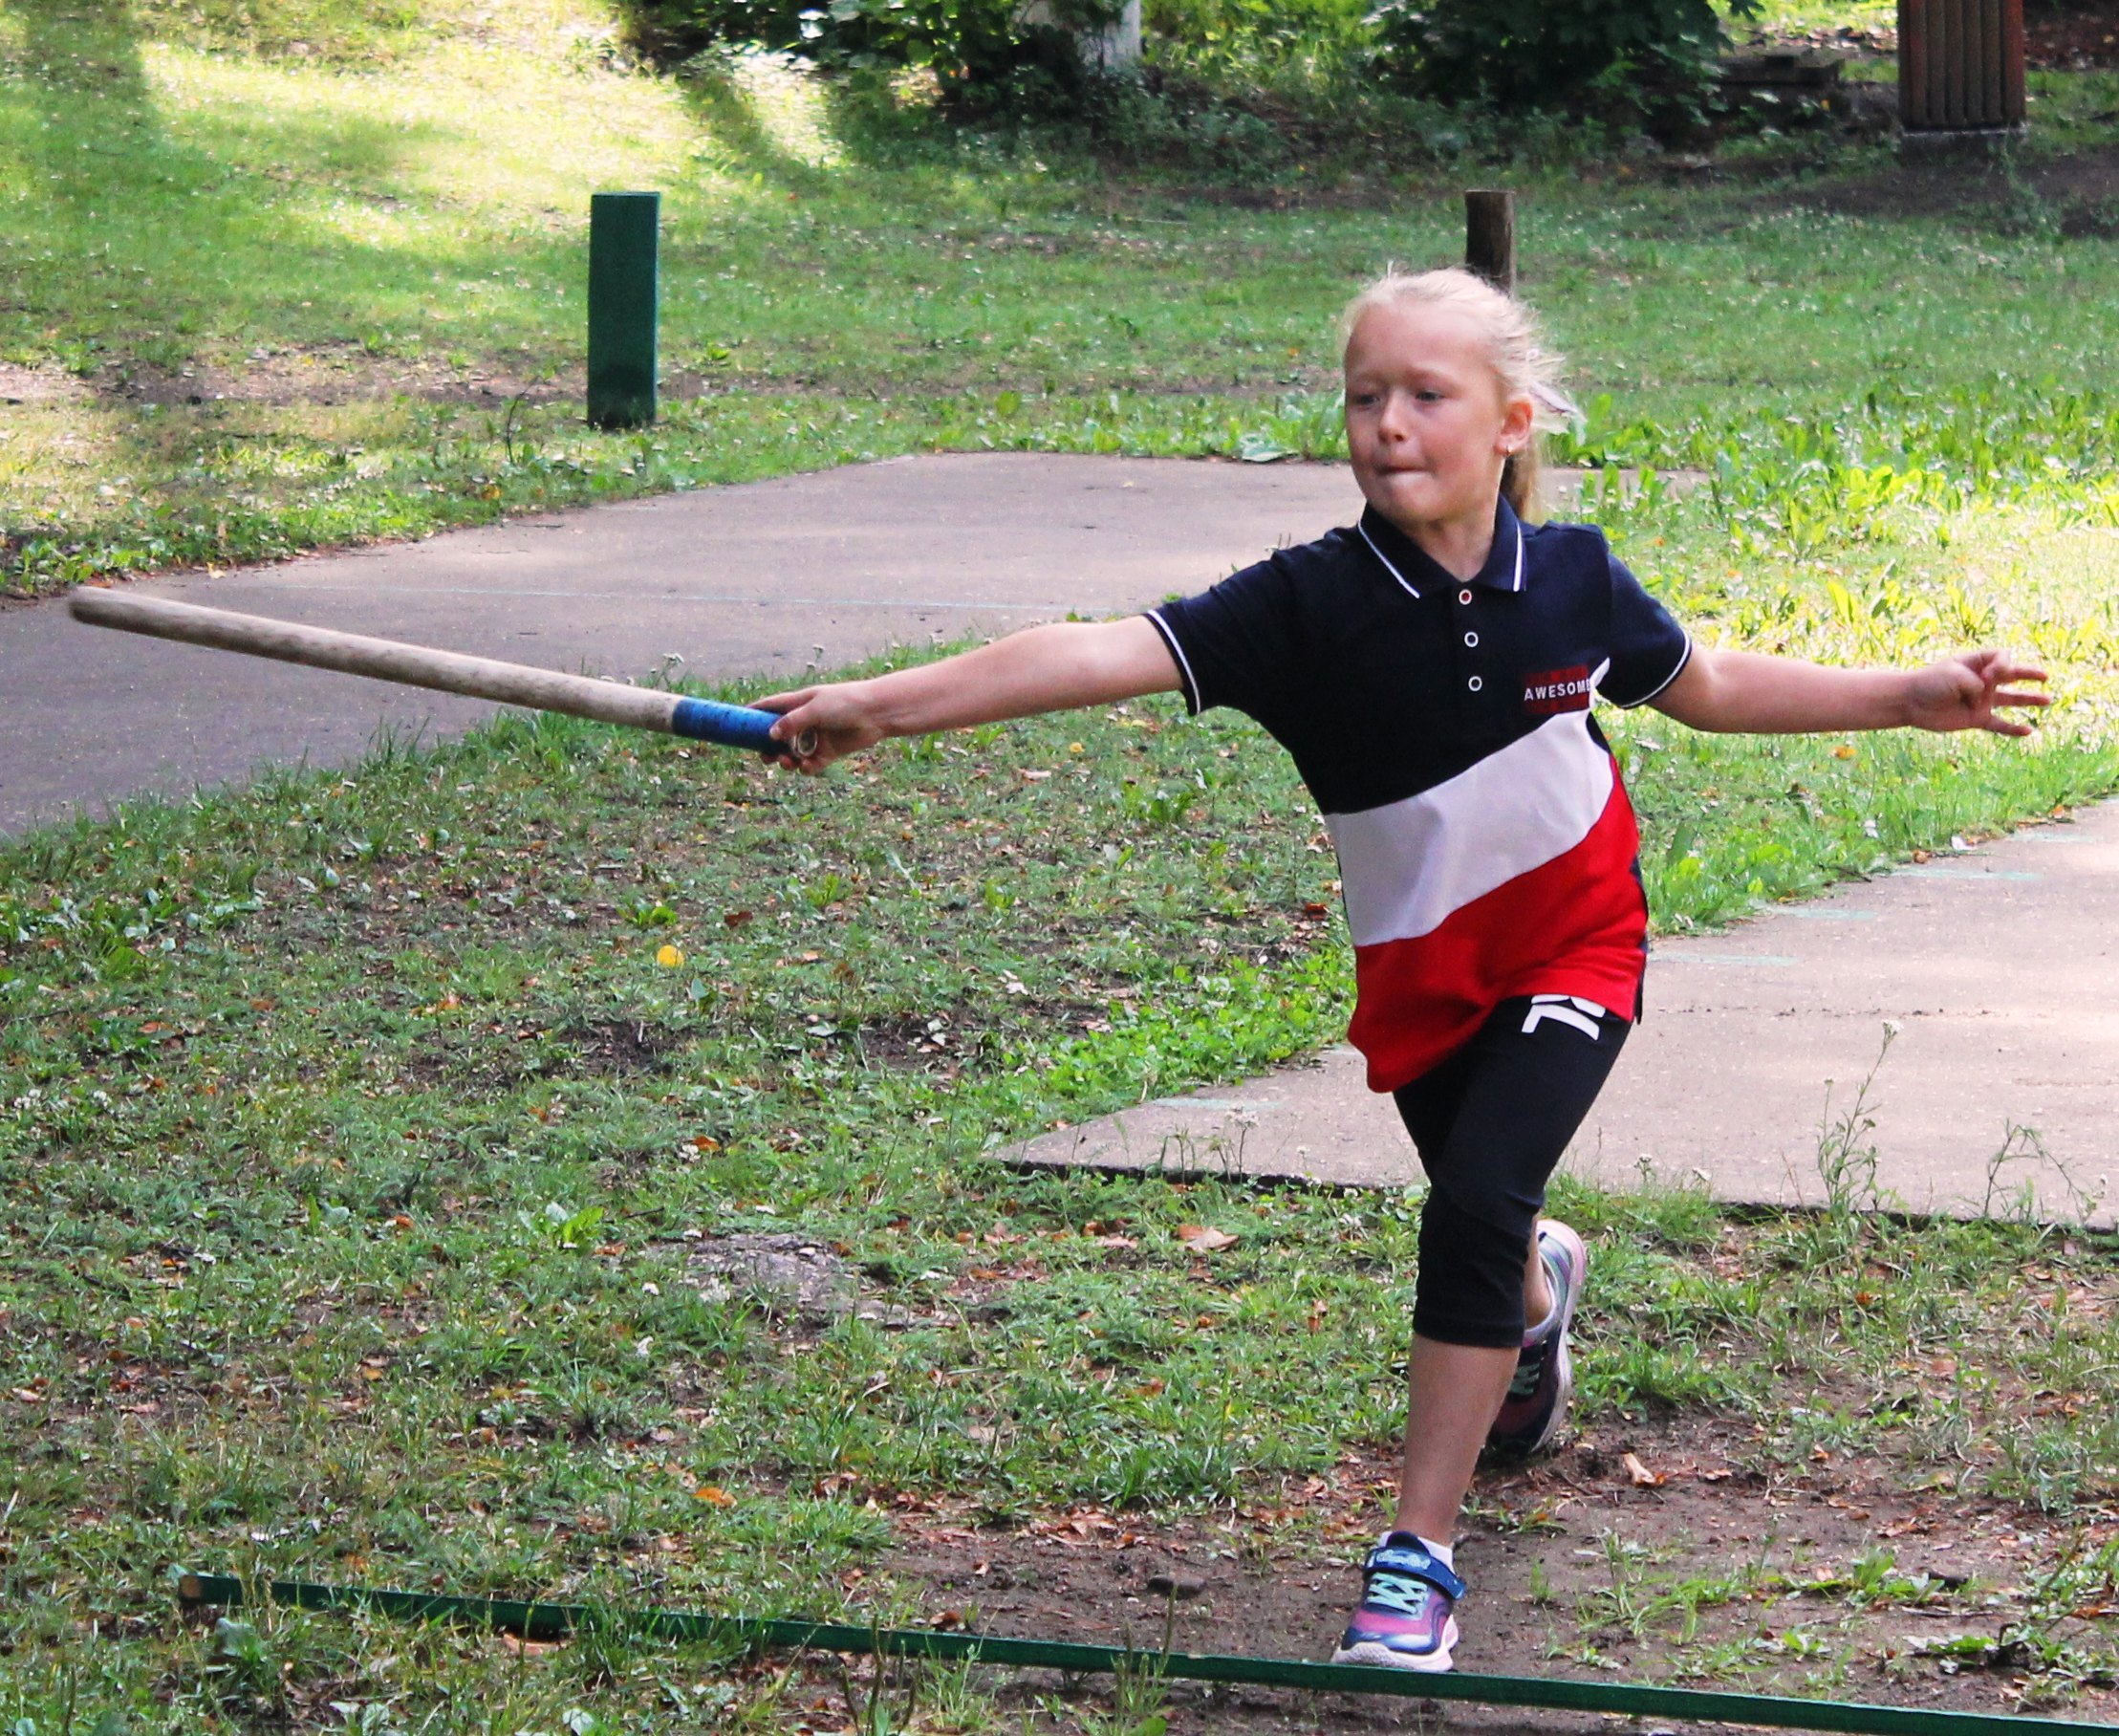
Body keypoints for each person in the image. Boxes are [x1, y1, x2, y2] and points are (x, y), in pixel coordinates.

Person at [757, 267, 2049, 1673]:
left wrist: (1909, 693)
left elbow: (1714, 688)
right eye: (1364, 395)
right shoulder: (1302, 604)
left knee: (1477, 1199)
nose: (1386, 423)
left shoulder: (1572, 580)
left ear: (1509, 420)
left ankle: (1414, 1557)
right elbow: (1092, 650)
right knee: (1490, 1236)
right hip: (1424, 983)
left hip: (1577, 943)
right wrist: (878, 707)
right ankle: (1539, 1304)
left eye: (1423, 395)